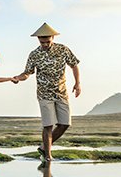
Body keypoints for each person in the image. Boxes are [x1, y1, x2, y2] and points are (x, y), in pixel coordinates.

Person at [13, 23, 81, 162]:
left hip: (61, 92)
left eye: (47, 41)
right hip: (44, 93)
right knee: (48, 125)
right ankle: (48, 156)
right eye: (41, 41)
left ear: (53, 38)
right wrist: (19, 78)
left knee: (64, 124)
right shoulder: (34, 54)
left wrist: (77, 83)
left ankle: (44, 147)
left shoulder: (63, 50)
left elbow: (74, 64)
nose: (44, 44)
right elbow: (27, 73)